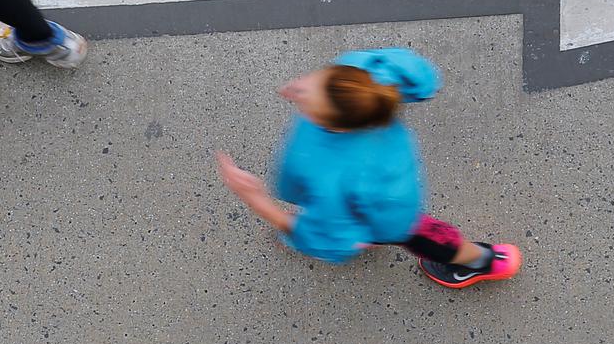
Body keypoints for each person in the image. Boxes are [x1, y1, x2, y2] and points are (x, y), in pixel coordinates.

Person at [216, 47, 521, 288]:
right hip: (372, 198)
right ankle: (372, 234)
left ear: (336, 126)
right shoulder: (364, 76)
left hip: (389, 213)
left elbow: (324, 236)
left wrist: (257, 200)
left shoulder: (337, 178)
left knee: (426, 236)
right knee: (358, 216)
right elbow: (418, 77)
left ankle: (483, 261)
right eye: (315, 78)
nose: (301, 89)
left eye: (308, 100)